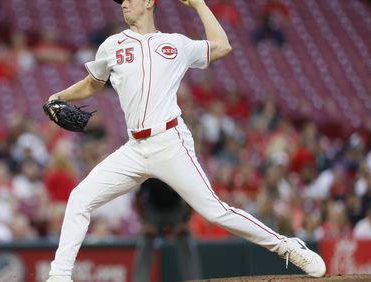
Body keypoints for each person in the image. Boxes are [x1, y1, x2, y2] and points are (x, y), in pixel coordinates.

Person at [45, 0, 326, 281]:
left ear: (148, 2)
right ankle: (59, 276)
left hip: (170, 141)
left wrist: (199, 5)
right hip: (134, 148)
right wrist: (60, 96)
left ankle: (288, 247)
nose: (124, 4)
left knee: (215, 212)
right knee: (79, 198)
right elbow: (92, 84)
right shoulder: (111, 45)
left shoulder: (175, 44)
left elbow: (222, 46)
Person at [133, 178, 201, 282]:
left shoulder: (178, 166)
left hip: (176, 209)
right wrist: (145, 221)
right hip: (153, 209)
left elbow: (192, 193)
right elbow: (137, 196)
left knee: (184, 237)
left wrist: (185, 220)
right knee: (146, 238)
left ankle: (194, 280)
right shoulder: (150, 166)